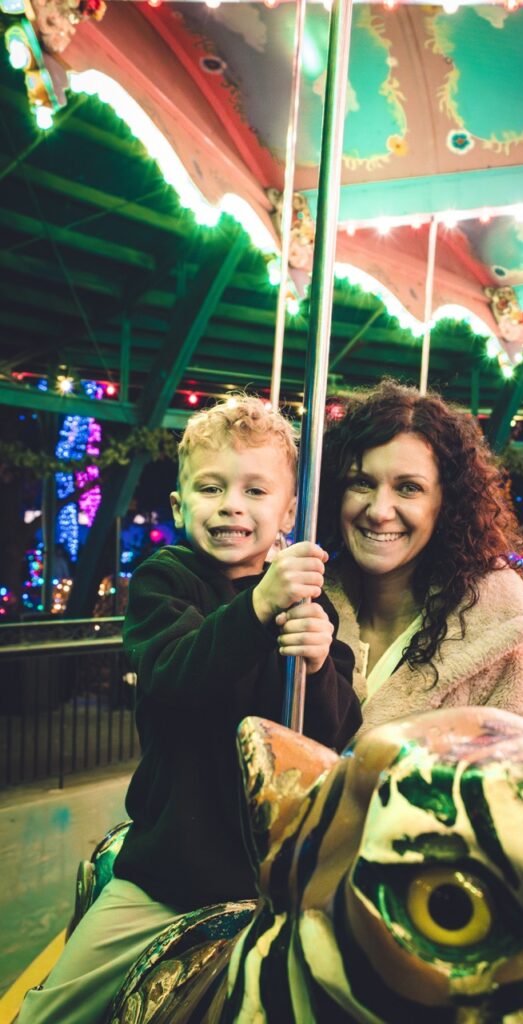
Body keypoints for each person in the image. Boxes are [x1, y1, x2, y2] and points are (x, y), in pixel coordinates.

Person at [17, 396, 361, 1024]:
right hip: (170, 876)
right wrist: (258, 607)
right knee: (52, 1012)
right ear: (180, 506)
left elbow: (330, 740)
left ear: (287, 512)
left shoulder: (310, 606)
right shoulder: (165, 581)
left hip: (276, 880)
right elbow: (176, 679)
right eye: (212, 487)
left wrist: (317, 666)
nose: (232, 504)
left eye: (256, 490)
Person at [317, 380, 523, 734]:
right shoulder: (303, 606)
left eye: (409, 488)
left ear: (447, 504)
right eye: (362, 483)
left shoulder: (516, 637)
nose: (379, 511)